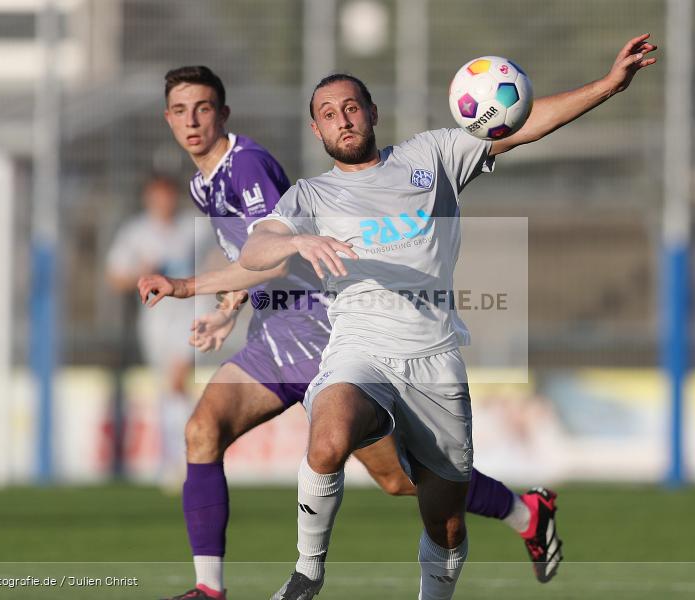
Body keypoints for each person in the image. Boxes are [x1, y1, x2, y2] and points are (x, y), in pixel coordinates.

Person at [239, 34, 657, 600]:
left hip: (434, 359)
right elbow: (255, 249)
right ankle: (307, 571)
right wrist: (296, 242)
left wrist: (609, 85)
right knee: (328, 438)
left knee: (446, 523)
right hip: (358, 350)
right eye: (328, 113)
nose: (342, 119)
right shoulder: (310, 196)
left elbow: (523, 124)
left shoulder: (430, 155)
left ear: (372, 113)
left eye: (351, 107)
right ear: (317, 130)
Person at [141, 66, 555, 600]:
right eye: (179, 110)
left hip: (321, 333)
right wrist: (227, 306)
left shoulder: (247, 167)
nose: (192, 121)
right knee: (203, 431)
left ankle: (526, 511)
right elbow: (257, 256)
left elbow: (273, 252)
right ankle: (212, 588)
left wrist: (188, 285)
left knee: (400, 480)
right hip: (274, 338)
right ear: (167, 119)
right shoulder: (203, 183)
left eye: (202, 108)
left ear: (222, 113)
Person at [105, 175, 196, 486]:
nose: (164, 203)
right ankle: (174, 457)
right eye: (157, 197)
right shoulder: (136, 232)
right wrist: (141, 274)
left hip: (190, 314)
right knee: (170, 390)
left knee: (177, 380)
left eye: (168, 196)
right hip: (155, 320)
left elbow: (218, 258)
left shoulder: (191, 228)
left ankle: (184, 461)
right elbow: (115, 277)